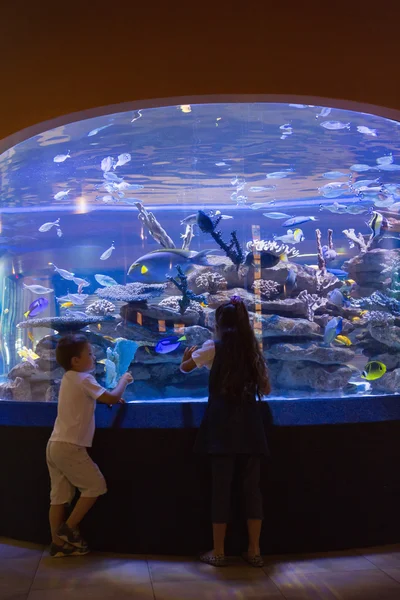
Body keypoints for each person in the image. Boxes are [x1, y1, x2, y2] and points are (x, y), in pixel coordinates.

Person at [180, 296, 270, 567]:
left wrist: (186, 358)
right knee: (252, 489)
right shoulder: (252, 349)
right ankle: (254, 550)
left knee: (221, 488)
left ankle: (218, 551)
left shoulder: (212, 348)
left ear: (219, 324)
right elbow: (265, 389)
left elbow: (184, 369)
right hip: (250, 426)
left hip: (220, 426)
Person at [46, 333, 133, 558]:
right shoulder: (84, 378)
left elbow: (100, 397)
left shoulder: (68, 378)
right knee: (95, 486)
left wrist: (109, 396)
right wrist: (124, 380)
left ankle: (58, 545)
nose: (94, 357)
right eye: (90, 354)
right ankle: (68, 530)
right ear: (76, 360)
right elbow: (111, 399)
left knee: (59, 497)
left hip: (55, 444)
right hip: (70, 446)